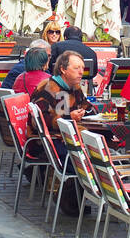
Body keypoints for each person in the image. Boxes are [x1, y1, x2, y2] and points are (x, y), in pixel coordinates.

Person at [29, 51, 95, 214]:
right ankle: (68, 197)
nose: (81, 72)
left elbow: (87, 108)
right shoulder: (49, 87)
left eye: (82, 68)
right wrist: (68, 117)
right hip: (45, 142)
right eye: (76, 68)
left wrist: (88, 113)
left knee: (97, 147)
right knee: (84, 157)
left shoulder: (75, 87)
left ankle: (78, 197)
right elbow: (38, 121)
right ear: (63, 70)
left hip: (67, 138)